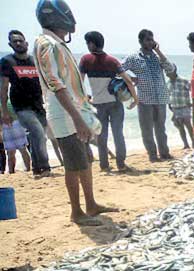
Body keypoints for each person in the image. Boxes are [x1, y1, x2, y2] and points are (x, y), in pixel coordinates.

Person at [33, 0, 117, 226]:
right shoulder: (47, 44)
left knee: (86, 159)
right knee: (73, 164)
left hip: (75, 111)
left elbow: (68, 83)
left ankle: (91, 204)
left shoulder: (56, 43)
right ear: (57, 17)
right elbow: (56, 84)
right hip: (64, 115)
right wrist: (78, 118)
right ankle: (77, 212)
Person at [79, 31, 137, 172]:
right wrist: (135, 98)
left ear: (92, 43)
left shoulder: (85, 60)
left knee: (101, 135)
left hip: (97, 103)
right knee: (118, 133)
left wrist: (85, 98)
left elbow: (79, 82)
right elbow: (128, 80)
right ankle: (121, 164)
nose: (87, 45)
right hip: (114, 102)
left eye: (88, 43)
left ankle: (104, 166)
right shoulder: (112, 61)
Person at [1, 30, 51, 177]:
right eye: (14, 41)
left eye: (20, 40)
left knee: (38, 136)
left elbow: (46, 82)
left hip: (38, 105)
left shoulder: (34, 60)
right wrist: (4, 112)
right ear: (10, 44)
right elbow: (3, 88)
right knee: (38, 132)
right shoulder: (7, 62)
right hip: (21, 107)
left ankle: (36, 168)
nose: (18, 43)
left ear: (26, 43)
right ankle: (45, 167)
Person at [122, 29, 175, 162]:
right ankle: (152, 155)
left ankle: (164, 153)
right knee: (147, 130)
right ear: (141, 41)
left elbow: (170, 69)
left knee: (161, 129)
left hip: (161, 98)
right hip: (145, 99)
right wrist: (131, 78)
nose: (150, 42)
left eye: (152, 39)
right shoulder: (134, 58)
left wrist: (158, 51)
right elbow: (118, 69)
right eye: (147, 40)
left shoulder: (157, 57)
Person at [165, 67, 194, 149]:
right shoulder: (168, 83)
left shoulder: (183, 80)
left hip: (185, 106)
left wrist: (193, 102)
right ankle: (185, 144)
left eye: (168, 71)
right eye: (165, 71)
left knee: (188, 125)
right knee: (180, 126)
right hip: (175, 108)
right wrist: (169, 105)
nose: (166, 73)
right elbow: (168, 95)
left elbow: (193, 90)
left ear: (174, 70)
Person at [2, 101, 32, 173]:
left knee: (11, 151)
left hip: (7, 125)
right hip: (16, 123)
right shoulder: (10, 100)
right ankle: (28, 169)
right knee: (22, 149)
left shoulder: (6, 100)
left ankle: (11, 171)